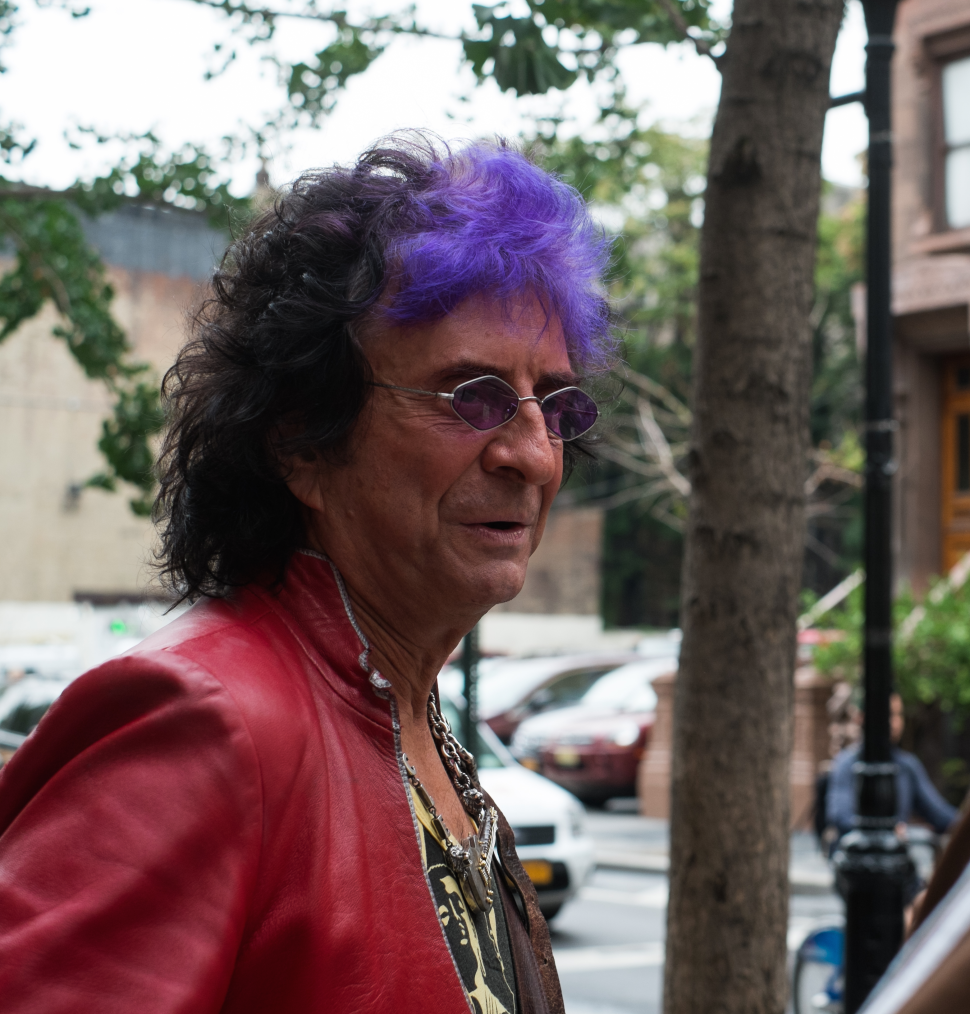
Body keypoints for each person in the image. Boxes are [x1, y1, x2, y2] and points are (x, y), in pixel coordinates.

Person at [0, 135, 612, 1013]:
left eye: (556, 405)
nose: (534, 457)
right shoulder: (203, 724)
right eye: (470, 396)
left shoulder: (409, 715)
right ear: (301, 441)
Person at [825, 692, 958, 838]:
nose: (895, 723)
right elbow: (840, 816)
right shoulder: (846, 764)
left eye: (898, 715)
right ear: (860, 718)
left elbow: (940, 815)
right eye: (888, 714)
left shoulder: (907, 765)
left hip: (897, 854)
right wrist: (886, 831)